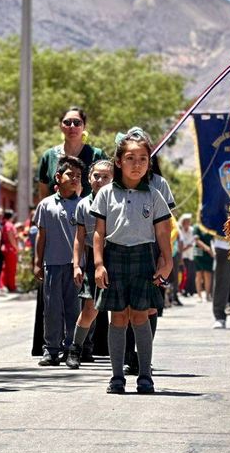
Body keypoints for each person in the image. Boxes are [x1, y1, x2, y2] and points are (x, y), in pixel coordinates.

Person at [92, 131, 173, 394]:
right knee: (117, 316)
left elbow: (162, 232)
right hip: (114, 257)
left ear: (149, 162)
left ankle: (145, 375)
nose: (136, 164)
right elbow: (98, 232)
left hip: (143, 258)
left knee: (140, 315)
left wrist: (167, 262)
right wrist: (98, 264)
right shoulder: (105, 193)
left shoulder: (154, 195)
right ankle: (116, 377)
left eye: (142, 158)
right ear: (118, 161)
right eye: (130, 158)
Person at [34, 155, 85, 367]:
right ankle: (51, 350)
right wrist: (38, 261)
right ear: (58, 177)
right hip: (52, 264)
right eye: (70, 174)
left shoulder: (83, 205)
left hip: (75, 267)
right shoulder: (45, 205)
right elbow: (41, 235)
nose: (74, 179)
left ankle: (71, 349)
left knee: (74, 309)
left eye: (78, 176)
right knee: (52, 308)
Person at [67, 159, 114, 368]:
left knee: (125, 311)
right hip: (92, 262)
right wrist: (76, 264)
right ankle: (75, 349)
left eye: (106, 176)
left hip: (117, 258)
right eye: (96, 176)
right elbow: (79, 237)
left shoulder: (118, 202)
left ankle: (128, 354)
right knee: (89, 309)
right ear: (89, 178)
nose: (100, 180)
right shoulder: (83, 205)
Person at [193, 223, 215, 303]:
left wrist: (211, 250)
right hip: (199, 253)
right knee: (199, 274)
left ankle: (207, 295)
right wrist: (207, 248)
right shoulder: (197, 227)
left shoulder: (211, 226)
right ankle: (199, 296)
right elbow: (196, 240)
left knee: (208, 274)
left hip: (209, 254)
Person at [0, 209, 19, 293]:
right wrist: (16, 248)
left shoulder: (6, 224)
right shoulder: (9, 225)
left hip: (7, 248)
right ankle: (11, 286)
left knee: (7, 268)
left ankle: (5, 285)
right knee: (11, 269)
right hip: (10, 248)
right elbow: (11, 238)